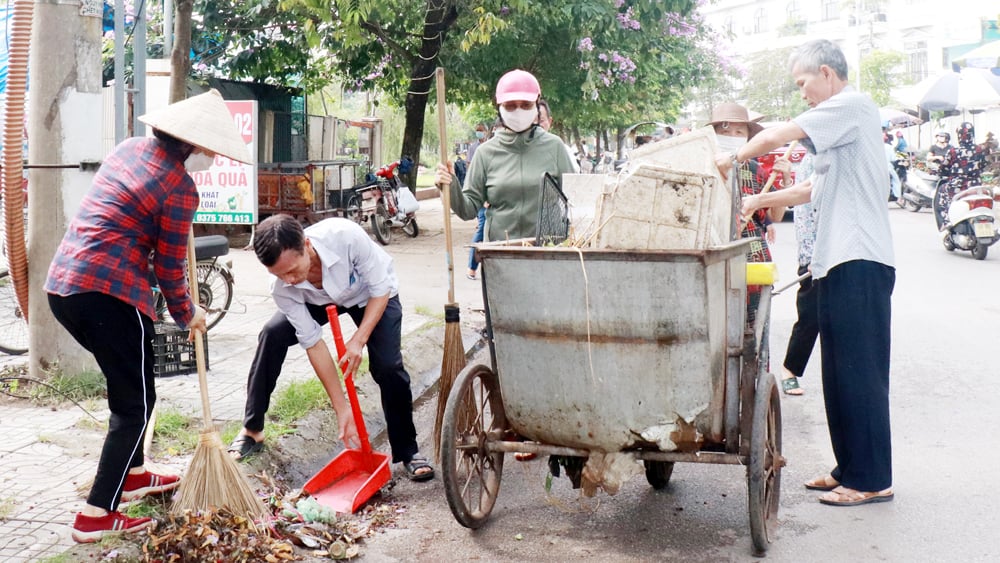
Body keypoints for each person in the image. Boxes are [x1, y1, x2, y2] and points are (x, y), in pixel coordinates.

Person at [45, 89, 249, 542]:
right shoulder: (180, 188)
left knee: (139, 384)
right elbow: (169, 265)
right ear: (192, 146)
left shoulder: (129, 149)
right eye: (210, 150)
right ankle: (96, 513)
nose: (212, 157)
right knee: (132, 405)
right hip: (110, 295)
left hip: (64, 287)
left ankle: (133, 472)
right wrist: (188, 313)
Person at [721, 39, 895, 507]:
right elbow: (809, 190)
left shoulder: (851, 105)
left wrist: (733, 157)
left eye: (803, 84)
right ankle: (850, 468)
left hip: (861, 260)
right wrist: (759, 201)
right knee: (839, 375)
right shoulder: (841, 135)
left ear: (825, 72)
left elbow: (779, 134)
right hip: (836, 262)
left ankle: (873, 479)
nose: (803, 94)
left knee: (861, 375)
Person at [227, 214, 434, 482]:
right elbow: (313, 343)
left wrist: (358, 340)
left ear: (307, 245)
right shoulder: (282, 286)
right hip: (317, 300)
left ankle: (408, 451)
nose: (288, 280)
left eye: (292, 270)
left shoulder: (345, 236)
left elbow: (380, 290)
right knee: (272, 333)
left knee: (388, 366)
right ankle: (252, 429)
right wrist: (341, 407)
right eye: (280, 274)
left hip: (371, 295)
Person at [435, 69, 577, 243]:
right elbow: (468, 209)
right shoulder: (485, 153)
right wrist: (450, 186)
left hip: (547, 253)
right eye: (510, 105)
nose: (518, 111)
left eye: (525, 105)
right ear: (499, 108)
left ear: (537, 105)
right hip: (500, 253)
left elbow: (576, 200)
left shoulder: (555, 147)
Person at [709, 102, 792, 328]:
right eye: (725, 132)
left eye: (739, 132)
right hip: (713, 259)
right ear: (714, 135)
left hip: (753, 260)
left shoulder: (756, 170)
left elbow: (775, 215)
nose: (732, 136)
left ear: (747, 138)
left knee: (752, 330)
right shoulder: (704, 167)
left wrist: (784, 181)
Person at [778, 154, 817, 397]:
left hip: (846, 254)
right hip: (816, 256)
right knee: (810, 317)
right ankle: (789, 369)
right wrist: (812, 256)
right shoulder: (812, 161)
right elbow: (803, 214)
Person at [933, 122, 990, 230]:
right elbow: (984, 165)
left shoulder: (954, 151)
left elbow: (944, 167)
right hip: (976, 184)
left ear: (959, 135)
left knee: (942, 192)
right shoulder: (980, 149)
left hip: (958, 186)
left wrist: (939, 171)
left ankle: (946, 221)